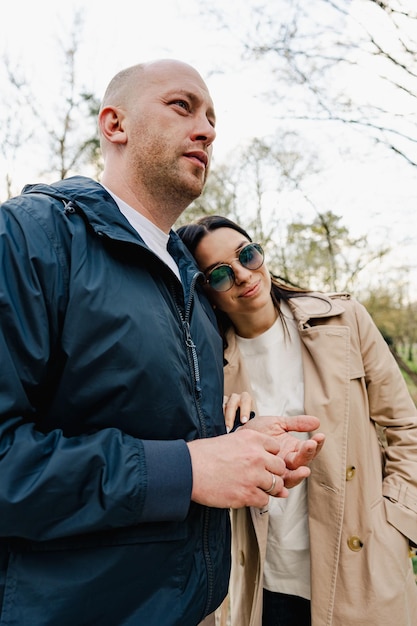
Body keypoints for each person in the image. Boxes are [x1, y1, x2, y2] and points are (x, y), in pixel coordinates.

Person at [0, 60, 324, 626]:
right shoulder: (29, 236)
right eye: (183, 106)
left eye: (212, 118)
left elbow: (168, 433)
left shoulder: (195, 285)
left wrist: (245, 449)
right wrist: (189, 470)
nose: (207, 129)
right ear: (114, 124)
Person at [177, 215, 417, 626]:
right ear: (208, 294)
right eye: (219, 275)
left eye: (247, 255)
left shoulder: (344, 320)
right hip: (269, 580)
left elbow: (404, 427)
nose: (242, 275)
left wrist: (399, 522)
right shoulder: (206, 368)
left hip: (365, 567)